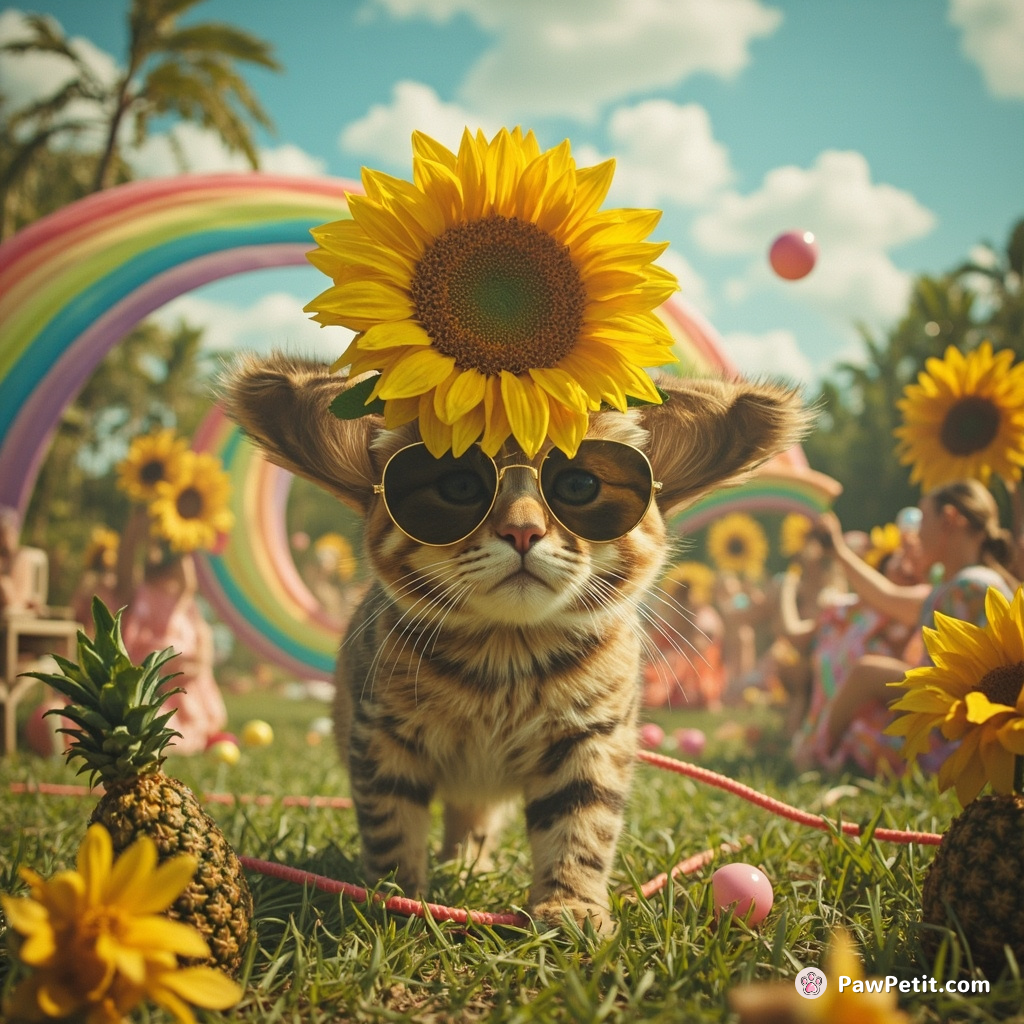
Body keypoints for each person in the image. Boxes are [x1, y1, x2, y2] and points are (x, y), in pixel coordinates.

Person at [810, 479, 1019, 773]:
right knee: (866, 704)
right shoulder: (962, 585)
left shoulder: (969, 587)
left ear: (949, 519)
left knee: (866, 675)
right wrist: (839, 550)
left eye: (923, 519)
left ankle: (815, 755)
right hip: (963, 733)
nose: (916, 532)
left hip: (958, 742)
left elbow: (950, 688)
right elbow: (888, 597)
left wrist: (871, 675)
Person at [0, 506, 42, 617]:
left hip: (16, 603)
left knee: (4, 584)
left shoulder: (21, 556)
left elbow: (11, 592)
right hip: (10, 604)